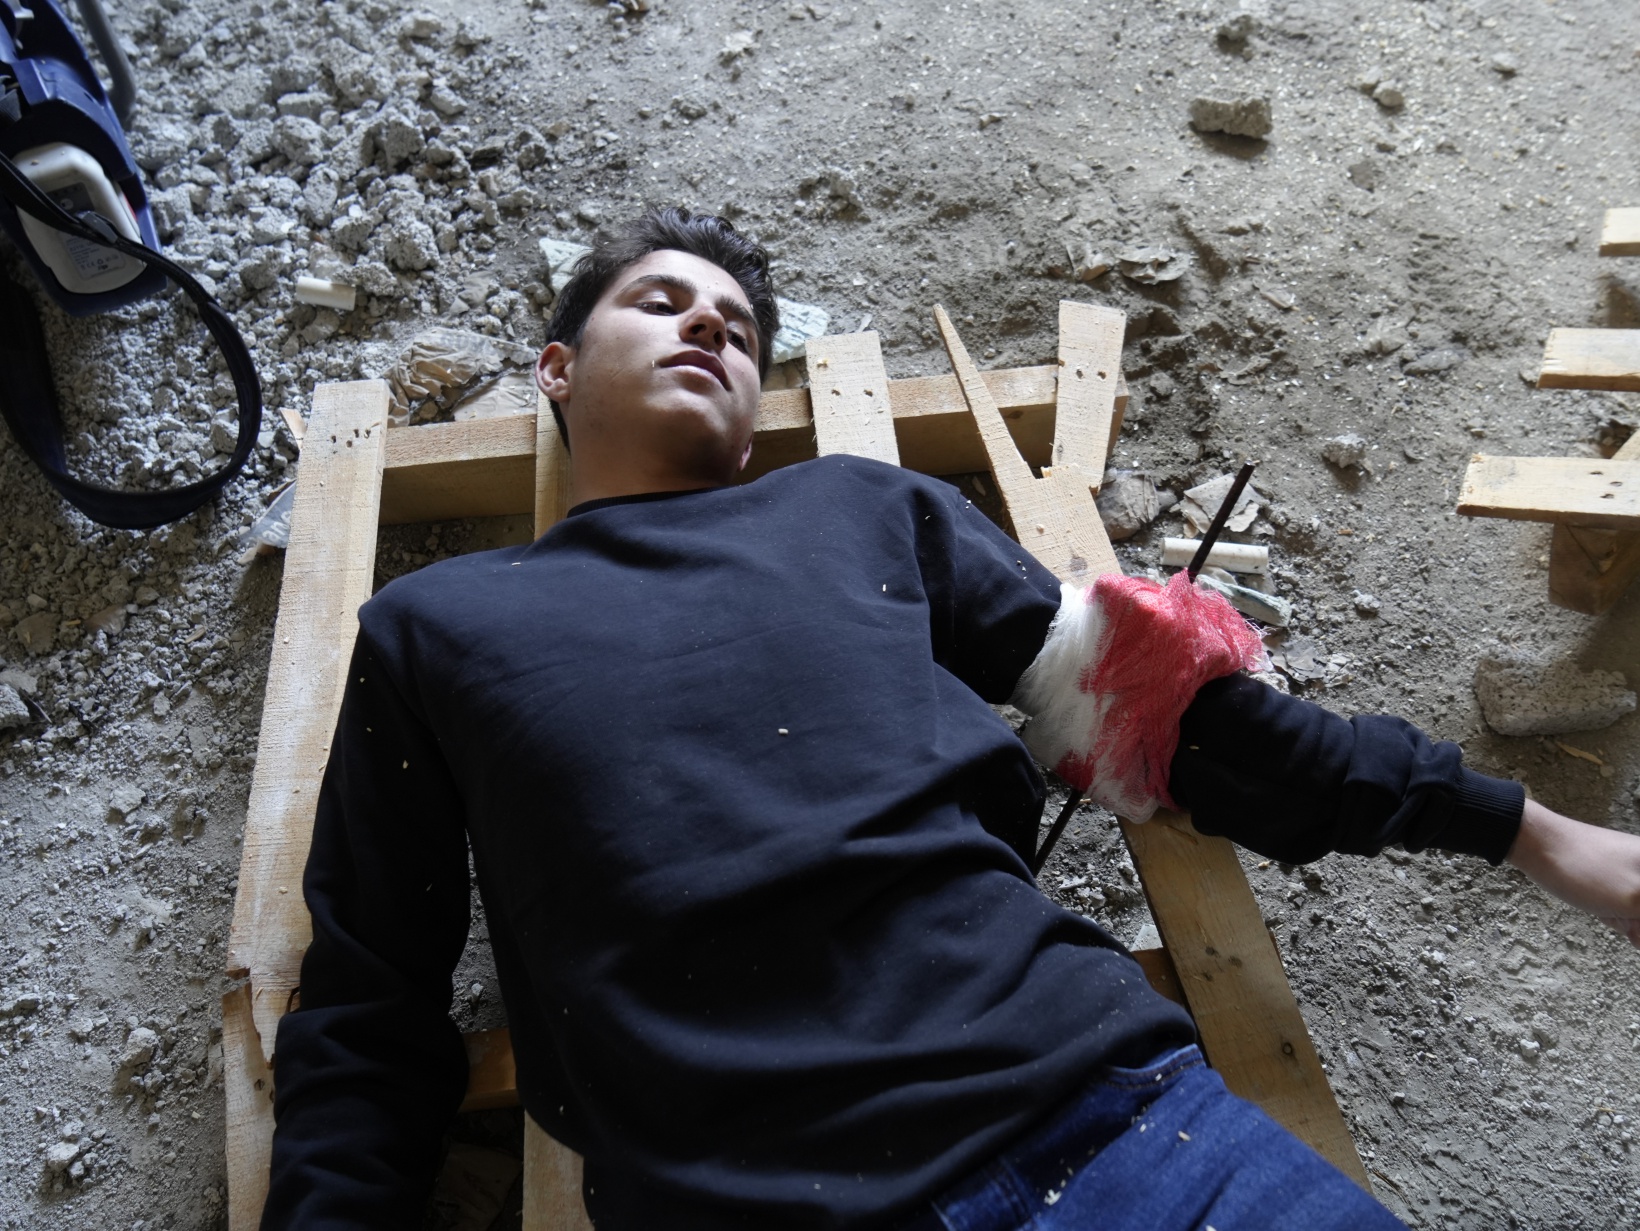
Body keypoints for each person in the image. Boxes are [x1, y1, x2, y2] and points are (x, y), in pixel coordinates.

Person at [262, 207, 1640, 1231]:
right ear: (558, 370)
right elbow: (372, 1008)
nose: (710, 327)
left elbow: (1174, 720)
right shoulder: (437, 627)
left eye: (738, 326)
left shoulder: (857, 509)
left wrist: (1532, 832)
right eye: (661, 302)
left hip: (1120, 1128)